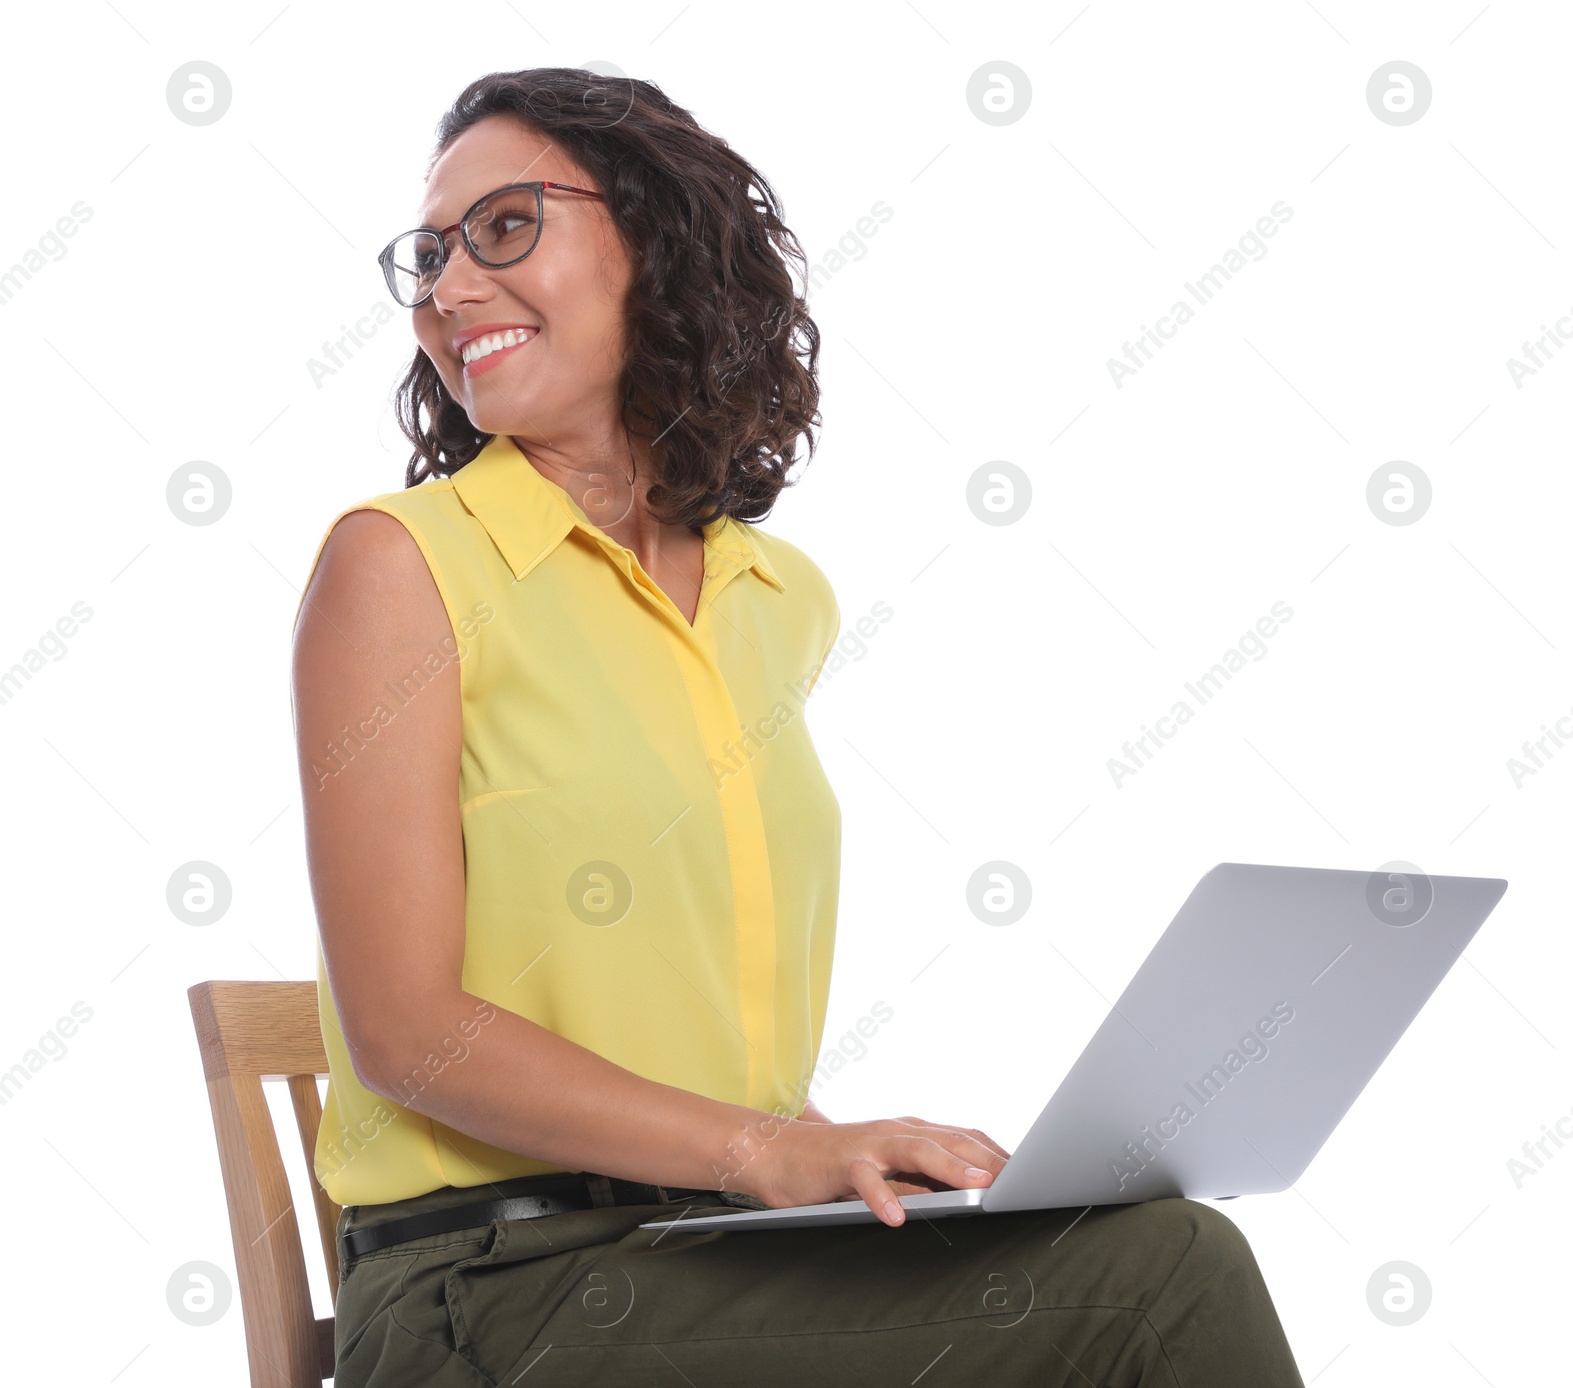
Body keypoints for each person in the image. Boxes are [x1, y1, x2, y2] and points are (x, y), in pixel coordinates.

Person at [291, 67, 1305, 1387]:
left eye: (505, 229)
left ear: (655, 239)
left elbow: (693, 1040)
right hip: (486, 1300)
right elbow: (410, 1033)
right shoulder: (400, 566)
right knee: (1166, 1280)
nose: (450, 288)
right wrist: (765, 1152)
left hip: (708, 1260)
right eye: (430, 255)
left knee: (1121, 1246)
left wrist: (862, 1157)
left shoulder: (777, 599)